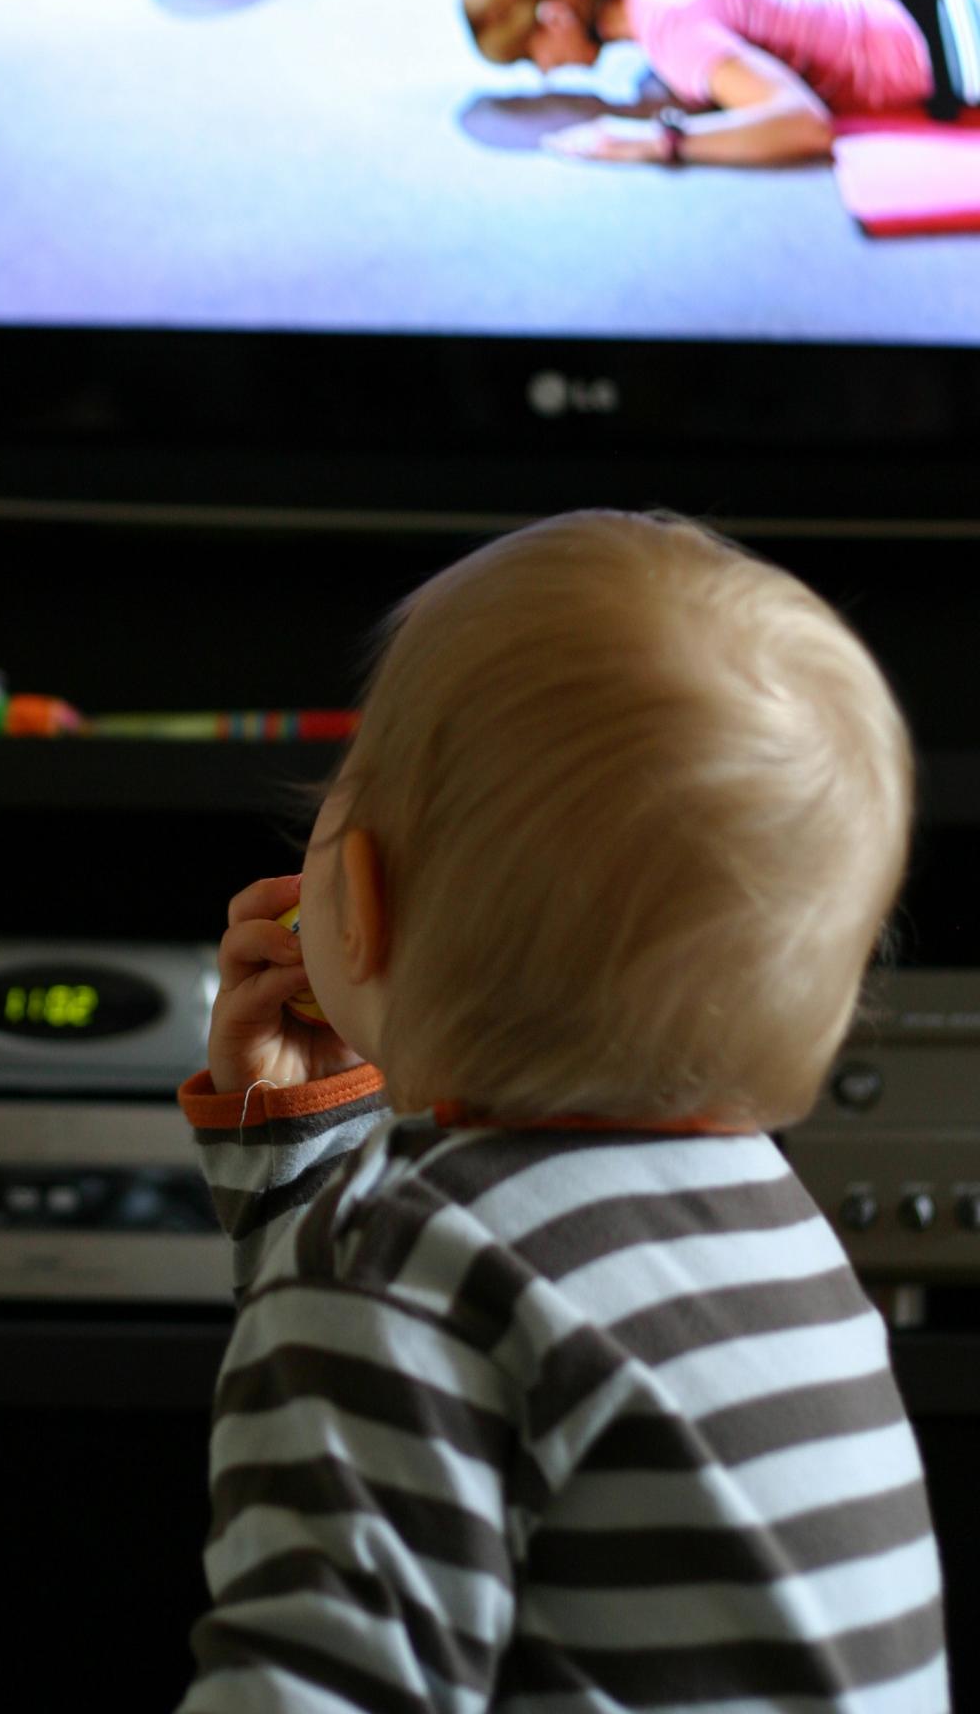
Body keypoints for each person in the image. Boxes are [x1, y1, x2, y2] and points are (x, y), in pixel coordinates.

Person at [175, 509, 947, 1712]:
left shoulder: (401, 1263)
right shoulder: (758, 1225)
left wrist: (334, 1222)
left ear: (358, 903)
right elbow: (403, 1384)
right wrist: (303, 1135)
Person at [460, 0, 980, 167]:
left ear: (556, 16)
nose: (547, 74)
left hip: (958, 41)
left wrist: (652, 143)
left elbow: (803, 124)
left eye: (532, 57)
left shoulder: (670, 31)